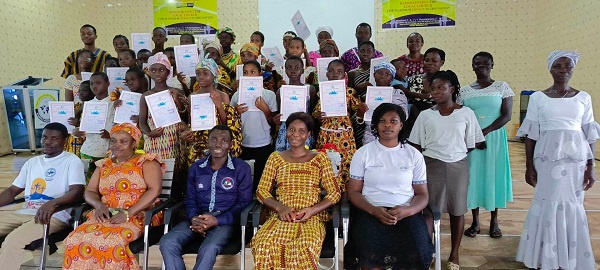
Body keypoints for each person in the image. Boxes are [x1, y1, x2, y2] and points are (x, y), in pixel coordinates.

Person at [515, 50, 598, 270]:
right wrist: (528, 165)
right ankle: (545, 256)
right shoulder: (538, 98)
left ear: (573, 68)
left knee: (572, 203)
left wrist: (591, 166)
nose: (563, 70)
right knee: (547, 201)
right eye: (558, 66)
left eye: (568, 65)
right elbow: (531, 135)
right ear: (550, 69)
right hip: (547, 159)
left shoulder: (583, 97)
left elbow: (589, 133)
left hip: (575, 161)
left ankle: (570, 255)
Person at [408, 70, 484, 270]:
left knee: (457, 211)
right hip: (430, 165)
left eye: (441, 87)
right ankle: (428, 252)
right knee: (429, 211)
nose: (435, 92)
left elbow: (471, 143)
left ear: (452, 89)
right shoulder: (425, 115)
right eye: (432, 88)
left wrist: (453, 155)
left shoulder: (466, 113)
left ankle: (454, 254)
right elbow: (415, 144)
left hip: (458, 166)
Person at [63, 123, 164, 269]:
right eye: (114, 140)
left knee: (111, 242)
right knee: (74, 239)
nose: (117, 145)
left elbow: (155, 190)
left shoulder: (146, 162)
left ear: (134, 143)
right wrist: (99, 205)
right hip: (105, 213)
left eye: (124, 141)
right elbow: (90, 191)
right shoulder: (104, 164)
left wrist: (128, 213)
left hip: (139, 214)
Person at [345, 103, 433, 269]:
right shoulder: (363, 153)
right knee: (368, 252)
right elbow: (354, 192)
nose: (387, 125)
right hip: (370, 211)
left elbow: (422, 195)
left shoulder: (413, 154)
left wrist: (407, 211)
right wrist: (374, 210)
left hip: (406, 212)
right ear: (376, 125)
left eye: (393, 121)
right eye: (382, 121)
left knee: (417, 249)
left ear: (401, 125)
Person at [251, 112, 341, 269]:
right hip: (281, 217)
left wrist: (313, 210)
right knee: (263, 243)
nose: (295, 135)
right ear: (285, 131)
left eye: (301, 131)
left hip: (311, 218)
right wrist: (280, 208)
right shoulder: (275, 158)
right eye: (291, 129)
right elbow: (262, 190)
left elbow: (334, 193)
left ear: (308, 134)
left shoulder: (319, 158)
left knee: (304, 245)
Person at [159, 125, 253, 270]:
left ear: (230, 144)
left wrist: (216, 220)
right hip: (197, 219)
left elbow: (244, 203)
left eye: (224, 140)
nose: (218, 144)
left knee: (209, 248)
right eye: (214, 139)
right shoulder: (196, 168)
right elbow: (190, 199)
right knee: (167, 242)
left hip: (224, 222)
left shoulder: (241, 168)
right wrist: (193, 218)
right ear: (207, 142)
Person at [0, 123, 84, 270]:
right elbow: (12, 191)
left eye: (54, 138)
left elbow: (76, 192)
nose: (47, 141)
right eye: (45, 137)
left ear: (65, 140)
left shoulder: (71, 161)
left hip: (53, 216)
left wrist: (52, 204)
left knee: (13, 242)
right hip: (26, 212)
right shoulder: (32, 162)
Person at [459, 52, 514, 239]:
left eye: (485, 63)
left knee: (493, 175)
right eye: (477, 63)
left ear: (492, 64)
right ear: (472, 66)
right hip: (471, 140)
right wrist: (474, 135)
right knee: (473, 177)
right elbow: (461, 115)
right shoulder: (464, 91)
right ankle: (475, 221)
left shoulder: (502, 87)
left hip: (494, 137)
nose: (481, 66)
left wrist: (484, 132)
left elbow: (506, 115)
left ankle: (494, 220)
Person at [139, 52, 188, 191]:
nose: (157, 73)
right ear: (149, 72)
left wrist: (177, 100)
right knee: (156, 171)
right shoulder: (146, 96)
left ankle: (174, 202)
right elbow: (142, 121)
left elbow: (185, 117)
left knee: (176, 172)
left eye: (161, 70)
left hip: (174, 138)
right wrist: (149, 132)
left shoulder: (176, 91)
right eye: (153, 70)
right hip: (155, 139)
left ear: (168, 72)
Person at [180, 57, 242, 167]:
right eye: (198, 74)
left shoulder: (222, 96)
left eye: (205, 73)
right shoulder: (192, 97)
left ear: (214, 75)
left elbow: (226, 123)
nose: (201, 77)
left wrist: (218, 105)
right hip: (198, 145)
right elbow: (192, 122)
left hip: (217, 143)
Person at [312, 59, 359, 191]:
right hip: (326, 134)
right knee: (328, 164)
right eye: (331, 71)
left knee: (346, 163)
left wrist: (363, 108)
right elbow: (315, 112)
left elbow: (358, 110)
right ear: (326, 74)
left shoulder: (349, 92)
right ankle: (330, 193)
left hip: (345, 136)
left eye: (339, 72)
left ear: (344, 75)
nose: (334, 74)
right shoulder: (320, 92)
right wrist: (318, 116)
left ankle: (346, 196)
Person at [231, 61, 278, 191]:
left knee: (261, 181)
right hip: (244, 144)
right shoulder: (237, 95)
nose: (249, 75)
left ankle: (260, 207)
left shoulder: (269, 95)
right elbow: (232, 122)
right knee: (245, 181)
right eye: (245, 73)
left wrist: (265, 109)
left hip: (263, 144)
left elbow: (273, 123)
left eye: (253, 72)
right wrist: (236, 112)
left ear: (260, 74)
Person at [75, 72, 116, 180]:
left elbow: (121, 128)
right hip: (88, 151)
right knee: (88, 186)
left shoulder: (114, 103)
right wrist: (78, 132)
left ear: (108, 83)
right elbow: (84, 130)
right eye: (92, 84)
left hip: (107, 152)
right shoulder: (88, 105)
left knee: (105, 185)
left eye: (98, 83)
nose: (95, 86)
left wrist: (111, 135)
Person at [357, 61, 408, 147]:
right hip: (370, 137)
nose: (382, 76)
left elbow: (404, 115)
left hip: (391, 136)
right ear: (374, 75)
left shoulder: (398, 94)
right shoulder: (367, 95)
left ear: (392, 79)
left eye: (387, 74)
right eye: (379, 73)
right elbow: (362, 123)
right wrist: (360, 114)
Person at [274, 56, 316, 151]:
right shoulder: (280, 91)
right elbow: (279, 113)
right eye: (289, 68)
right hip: (285, 131)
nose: (293, 71)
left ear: (302, 70)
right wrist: (277, 119)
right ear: (285, 70)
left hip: (303, 130)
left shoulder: (310, 89)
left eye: (297, 68)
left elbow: (312, 113)